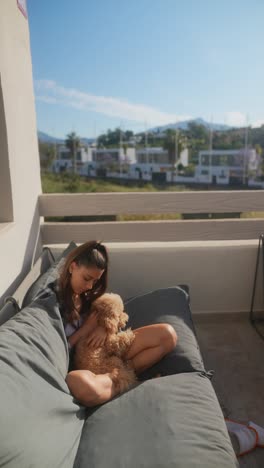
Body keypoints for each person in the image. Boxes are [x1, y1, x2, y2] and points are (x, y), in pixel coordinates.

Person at [57, 240, 177, 407]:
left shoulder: (87, 294)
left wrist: (104, 328)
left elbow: (113, 308)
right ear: (72, 267)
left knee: (167, 334)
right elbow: (61, 350)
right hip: (88, 364)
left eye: (95, 281)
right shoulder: (55, 304)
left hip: (112, 348)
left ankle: (122, 377)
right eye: (87, 278)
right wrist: (86, 329)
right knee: (78, 383)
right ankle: (124, 380)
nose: (90, 286)